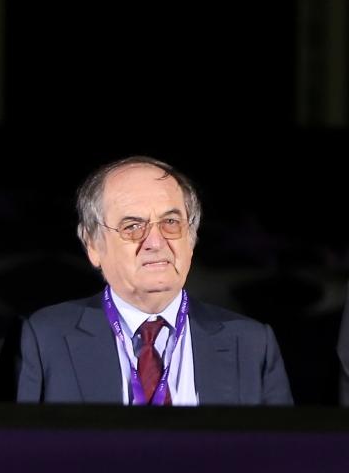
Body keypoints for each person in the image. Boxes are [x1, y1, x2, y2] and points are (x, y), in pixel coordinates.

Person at [16, 156, 292, 405]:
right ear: (93, 245)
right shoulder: (43, 338)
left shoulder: (252, 344)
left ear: (191, 238)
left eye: (171, 222)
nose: (156, 242)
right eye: (133, 226)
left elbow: (279, 444)